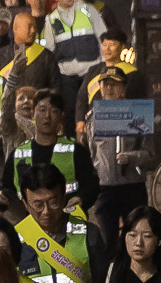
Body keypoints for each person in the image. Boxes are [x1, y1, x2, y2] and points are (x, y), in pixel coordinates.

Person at [81, 67, 153, 238]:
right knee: (108, 241)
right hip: (105, 188)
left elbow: (149, 154)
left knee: (136, 237)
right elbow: (93, 152)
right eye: (105, 85)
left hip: (132, 187)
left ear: (123, 88)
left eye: (114, 84)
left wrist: (131, 157)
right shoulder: (93, 117)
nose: (109, 89)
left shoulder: (138, 114)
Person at [9, 92, 99, 222]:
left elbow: (92, 184)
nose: (47, 116)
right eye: (42, 110)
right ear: (33, 114)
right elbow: (7, 187)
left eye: (53, 111)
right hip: (29, 224)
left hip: (70, 220)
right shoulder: (18, 152)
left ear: (61, 116)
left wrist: (81, 199)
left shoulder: (76, 151)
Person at [46, 0, 106, 91]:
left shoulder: (88, 9)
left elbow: (102, 37)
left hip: (91, 71)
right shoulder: (51, 19)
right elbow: (49, 50)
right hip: (67, 76)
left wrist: (103, 66)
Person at [0, 9, 63, 116]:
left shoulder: (46, 56)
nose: (33, 31)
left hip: (38, 116)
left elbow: (56, 88)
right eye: (29, 26)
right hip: (10, 116)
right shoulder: (0, 56)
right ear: (15, 29)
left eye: (34, 27)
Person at [81, 29, 135, 107]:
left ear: (122, 47)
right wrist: (80, 118)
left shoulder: (133, 73)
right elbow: (82, 98)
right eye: (104, 45)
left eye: (111, 45)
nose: (107, 49)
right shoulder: (93, 70)